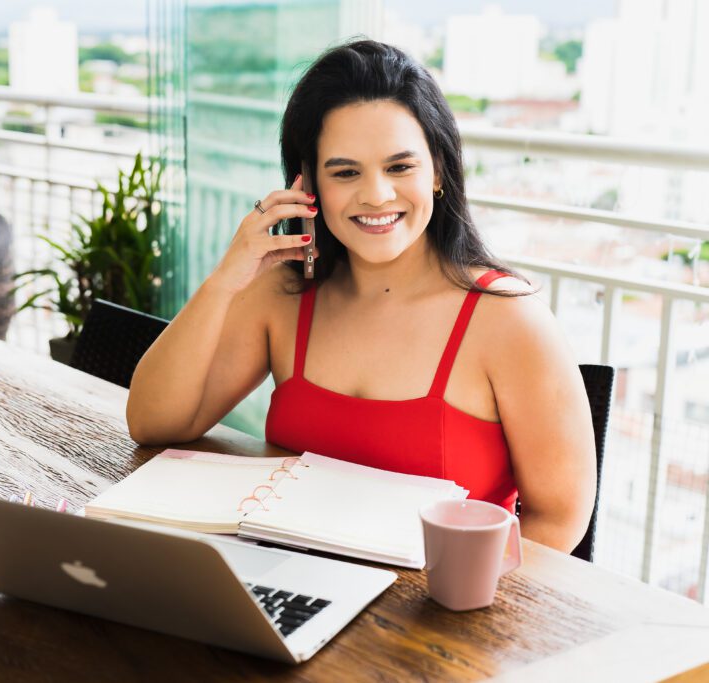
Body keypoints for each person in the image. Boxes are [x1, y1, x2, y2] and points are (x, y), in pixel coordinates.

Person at [126, 39, 595, 553]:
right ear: (309, 185)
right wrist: (224, 280)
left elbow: (558, 520)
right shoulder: (282, 294)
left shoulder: (510, 320)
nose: (375, 195)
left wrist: (458, 604)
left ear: (438, 170)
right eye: (345, 172)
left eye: (399, 168)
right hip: (291, 585)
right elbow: (153, 422)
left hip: (439, 613)